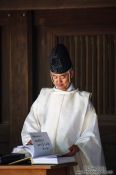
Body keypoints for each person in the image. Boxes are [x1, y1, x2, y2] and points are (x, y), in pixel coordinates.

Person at [21, 44, 106, 174]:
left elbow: (91, 134)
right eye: (54, 77)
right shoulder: (43, 97)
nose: (58, 81)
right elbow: (31, 125)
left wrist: (79, 146)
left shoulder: (83, 101)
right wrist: (31, 139)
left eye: (62, 76)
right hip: (45, 162)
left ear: (71, 73)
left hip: (70, 161)